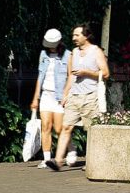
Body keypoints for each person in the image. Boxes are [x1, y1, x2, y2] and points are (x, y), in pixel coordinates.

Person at [45, 23, 109, 172]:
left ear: (86, 36)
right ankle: (58, 161)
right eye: (73, 35)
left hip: (90, 96)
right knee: (66, 127)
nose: (74, 38)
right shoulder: (73, 53)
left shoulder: (96, 51)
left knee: (91, 130)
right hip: (74, 96)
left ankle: (92, 162)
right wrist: (65, 95)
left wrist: (87, 73)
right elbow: (70, 76)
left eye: (77, 35)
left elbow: (105, 74)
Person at [30, 29, 77, 168]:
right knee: (45, 126)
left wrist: (66, 95)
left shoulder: (68, 55)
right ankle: (46, 159)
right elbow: (40, 76)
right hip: (46, 94)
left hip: (59, 96)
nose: (50, 46)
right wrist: (35, 98)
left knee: (59, 128)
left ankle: (72, 149)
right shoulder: (43, 54)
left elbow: (71, 76)